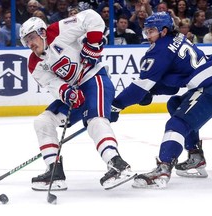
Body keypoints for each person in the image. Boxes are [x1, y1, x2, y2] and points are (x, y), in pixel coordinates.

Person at [110, 11, 212, 188]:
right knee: (176, 104)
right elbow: (173, 84)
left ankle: (163, 168)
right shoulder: (176, 38)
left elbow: (140, 87)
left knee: (176, 124)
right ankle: (195, 156)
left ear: (163, 31)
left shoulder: (159, 50)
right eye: (146, 31)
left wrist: (115, 105)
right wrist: (152, 91)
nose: (148, 35)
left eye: (152, 30)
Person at [19, 9, 136, 191]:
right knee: (42, 122)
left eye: (31, 38)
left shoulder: (57, 31)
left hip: (94, 79)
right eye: (26, 41)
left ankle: (117, 164)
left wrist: (93, 42)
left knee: (95, 120)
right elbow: (51, 83)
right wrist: (65, 92)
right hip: (75, 91)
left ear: (42, 32)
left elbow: (91, 17)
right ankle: (54, 172)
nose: (30, 44)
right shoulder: (34, 64)